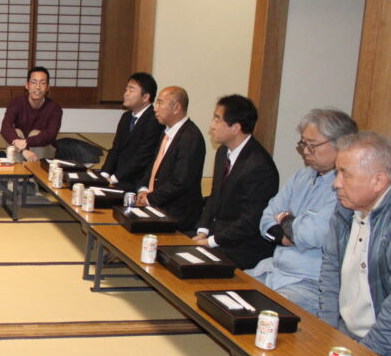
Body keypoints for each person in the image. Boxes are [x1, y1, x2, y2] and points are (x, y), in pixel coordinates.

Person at [247, 109, 357, 312]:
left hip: (308, 283)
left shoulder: (345, 188)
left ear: (341, 144)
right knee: (224, 292)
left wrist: (286, 221)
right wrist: (283, 235)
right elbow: (266, 219)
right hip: (273, 268)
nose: (306, 151)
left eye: (312, 145)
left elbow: (310, 235)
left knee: (261, 314)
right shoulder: (302, 176)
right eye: (303, 144)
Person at [315, 131, 391, 356]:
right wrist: (325, 334)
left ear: (378, 180)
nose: (336, 184)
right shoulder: (344, 210)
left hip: (381, 346)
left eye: (345, 174)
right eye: (337, 172)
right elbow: (330, 270)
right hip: (345, 332)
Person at [192, 95, 280, 269]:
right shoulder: (223, 151)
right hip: (219, 236)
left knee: (192, 264)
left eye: (217, 120)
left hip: (243, 246)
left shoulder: (259, 166)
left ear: (236, 128)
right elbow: (214, 197)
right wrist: (203, 230)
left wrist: (211, 241)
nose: (212, 126)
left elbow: (250, 221)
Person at [135, 86, 206, 233]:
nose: (155, 108)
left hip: (177, 214)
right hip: (158, 205)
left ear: (176, 108)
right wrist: (143, 189)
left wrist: (150, 198)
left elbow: (181, 181)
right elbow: (154, 165)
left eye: (160, 103)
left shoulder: (190, 137)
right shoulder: (167, 132)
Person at [100, 72, 165, 192]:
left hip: (137, 181)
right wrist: (104, 174)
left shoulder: (154, 120)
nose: (125, 94)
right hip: (119, 176)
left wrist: (115, 178)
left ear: (145, 97)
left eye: (131, 90)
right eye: (126, 90)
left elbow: (142, 157)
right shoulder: (126, 117)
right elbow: (116, 149)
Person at [0, 66, 62, 162]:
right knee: (16, 133)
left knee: (35, 134)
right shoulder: (16, 102)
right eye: (34, 82)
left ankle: (36, 175)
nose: (38, 87)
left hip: (45, 149)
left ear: (48, 87)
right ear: (27, 85)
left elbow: (50, 134)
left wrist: (26, 142)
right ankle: (17, 175)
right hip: (21, 148)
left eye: (42, 83)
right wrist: (24, 150)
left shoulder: (55, 108)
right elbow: (5, 127)